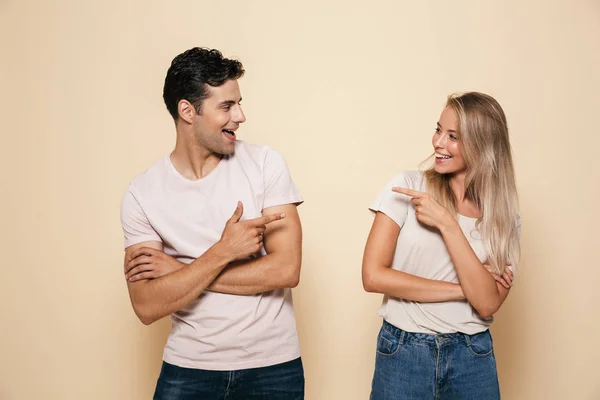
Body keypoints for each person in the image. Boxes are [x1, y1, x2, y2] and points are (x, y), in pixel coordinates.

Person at [120, 47, 305, 399]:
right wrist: (223, 252)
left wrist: (179, 269)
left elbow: (286, 270)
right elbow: (146, 305)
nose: (241, 115)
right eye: (226, 106)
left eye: (238, 102)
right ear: (187, 111)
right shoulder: (142, 193)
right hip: (189, 369)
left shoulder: (266, 164)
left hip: (273, 368)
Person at [362, 92, 521, 400]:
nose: (438, 143)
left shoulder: (504, 218)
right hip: (404, 352)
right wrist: (468, 289)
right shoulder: (408, 188)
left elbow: (487, 304)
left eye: (453, 137)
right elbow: (373, 276)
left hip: (472, 356)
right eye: (438, 130)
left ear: (483, 144)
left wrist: (447, 224)